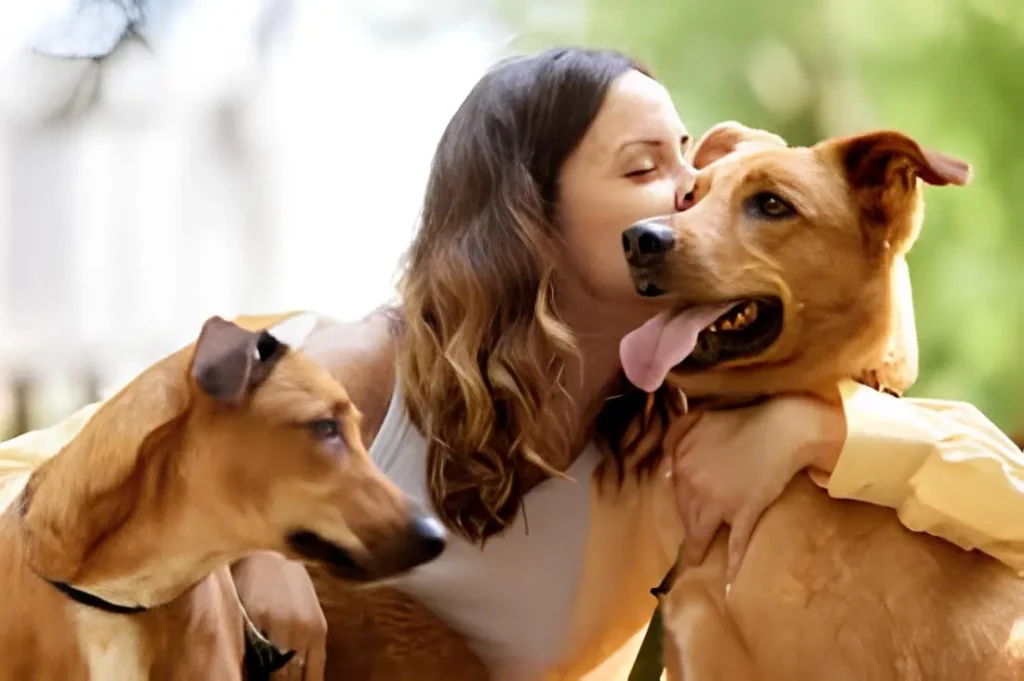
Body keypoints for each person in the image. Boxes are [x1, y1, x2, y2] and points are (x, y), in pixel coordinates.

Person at [1, 47, 1021, 681]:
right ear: (531, 219)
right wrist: (239, 552)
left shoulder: (682, 430)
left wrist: (823, 428)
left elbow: (995, 499)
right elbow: (52, 494)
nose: (687, 197)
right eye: (646, 168)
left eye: (693, 166)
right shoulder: (354, 367)